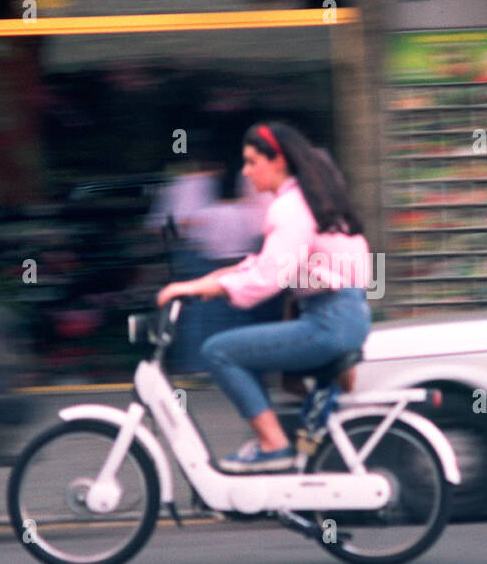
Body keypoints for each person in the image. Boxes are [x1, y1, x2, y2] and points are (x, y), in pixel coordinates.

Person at [156, 121, 373, 472]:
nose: (245, 171)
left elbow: (268, 277)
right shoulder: (311, 200)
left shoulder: (289, 208)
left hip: (327, 321)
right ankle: (292, 446)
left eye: (252, 161)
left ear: (278, 161)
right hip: (346, 315)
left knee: (219, 351)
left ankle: (273, 445)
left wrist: (197, 288)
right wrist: (202, 284)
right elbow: (262, 263)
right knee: (253, 355)